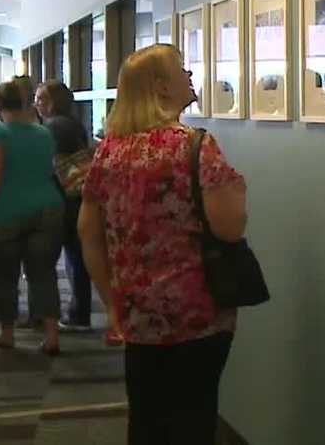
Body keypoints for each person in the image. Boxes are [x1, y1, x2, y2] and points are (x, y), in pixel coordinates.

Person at [80, 44, 248, 445]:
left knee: (147, 417)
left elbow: (88, 231)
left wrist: (111, 301)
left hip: (137, 312)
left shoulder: (110, 150)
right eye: (182, 70)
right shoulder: (194, 145)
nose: (190, 76)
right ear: (160, 86)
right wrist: (237, 190)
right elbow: (229, 228)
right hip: (197, 311)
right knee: (193, 416)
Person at [0, 80, 65, 354]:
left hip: (7, 211)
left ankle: (7, 333)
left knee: (4, 275)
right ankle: (51, 336)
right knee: (43, 273)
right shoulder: (43, 133)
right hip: (48, 208)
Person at [36, 81, 94, 332]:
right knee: (76, 256)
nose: (36, 104)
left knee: (62, 257)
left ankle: (72, 313)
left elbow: (48, 165)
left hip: (64, 199)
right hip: (75, 197)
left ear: (52, 102)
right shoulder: (71, 123)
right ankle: (78, 311)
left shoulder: (54, 127)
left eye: (40, 99)